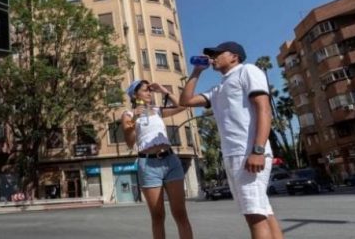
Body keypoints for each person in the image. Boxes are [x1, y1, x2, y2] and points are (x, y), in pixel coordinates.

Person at [179, 41, 284, 239]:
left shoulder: (248, 71)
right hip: (233, 154)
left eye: (218, 53)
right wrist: (197, 72)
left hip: (248, 153)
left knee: (255, 217)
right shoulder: (218, 88)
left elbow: (264, 108)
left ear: (234, 56)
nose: (214, 57)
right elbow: (185, 101)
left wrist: (258, 150)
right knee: (263, 212)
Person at [121, 80, 193, 239]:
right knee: (158, 215)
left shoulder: (157, 110)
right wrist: (134, 120)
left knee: (180, 213)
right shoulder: (128, 114)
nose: (149, 93)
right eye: (146, 90)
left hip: (170, 161)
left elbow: (182, 106)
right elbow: (130, 141)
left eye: (150, 90)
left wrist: (162, 89)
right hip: (148, 164)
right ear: (135, 95)